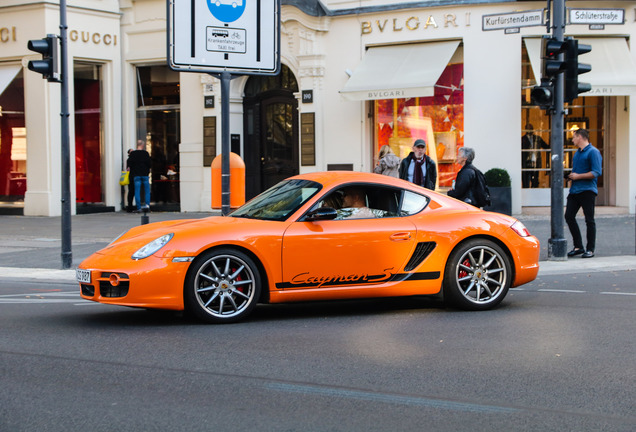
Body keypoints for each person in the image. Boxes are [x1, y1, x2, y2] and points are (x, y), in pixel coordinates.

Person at [564, 128, 602, 258]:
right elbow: (577, 172)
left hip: (588, 191)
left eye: (574, 137)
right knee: (569, 216)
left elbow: (596, 172)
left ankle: (590, 249)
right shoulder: (577, 153)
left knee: (589, 220)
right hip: (575, 191)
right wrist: (571, 177)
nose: (572, 139)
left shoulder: (593, 152)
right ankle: (578, 246)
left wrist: (578, 176)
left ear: (580, 137)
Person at [521, 124, 550, 188]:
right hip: (526, 164)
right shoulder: (522, 139)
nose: (529, 130)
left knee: (535, 182)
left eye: (530, 129)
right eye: (528, 129)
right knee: (525, 183)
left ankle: (535, 194)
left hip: (535, 163)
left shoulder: (538, 139)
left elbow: (546, 147)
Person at [127, 140, 152, 212]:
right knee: (147, 191)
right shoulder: (145, 153)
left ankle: (139, 208)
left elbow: (129, 165)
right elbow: (149, 164)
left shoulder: (133, 154)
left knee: (137, 191)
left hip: (136, 175)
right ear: (143, 145)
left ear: (137, 145)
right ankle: (147, 206)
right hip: (144, 175)